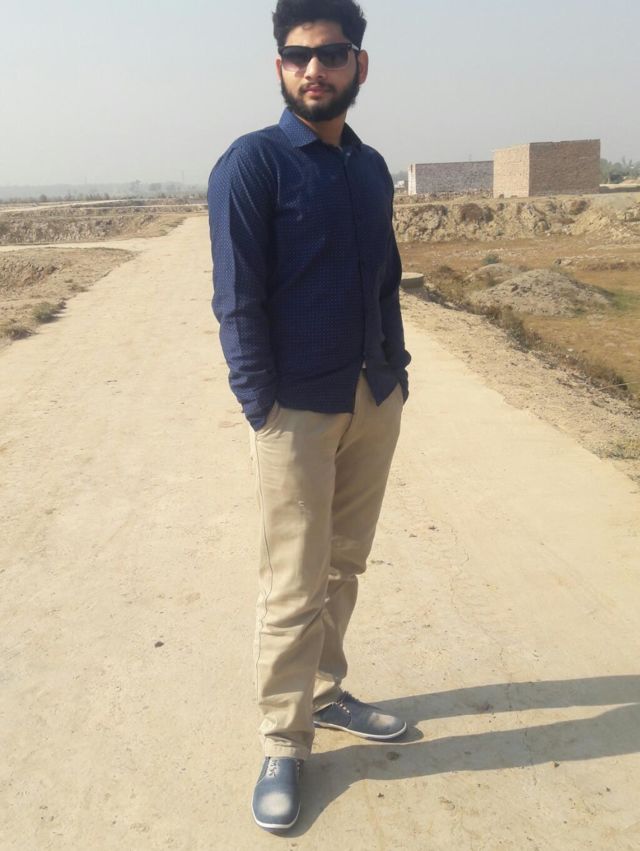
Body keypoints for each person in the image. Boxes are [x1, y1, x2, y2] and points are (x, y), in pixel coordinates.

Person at [207, 0, 411, 832]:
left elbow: (386, 279)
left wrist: (395, 373)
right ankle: (283, 740)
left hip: (373, 396)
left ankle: (325, 692)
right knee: (293, 581)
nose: (314, 69)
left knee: (344, 563)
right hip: (295, 409)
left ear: (360, 64)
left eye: (330, 54)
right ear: (280, 68)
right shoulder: (252, 164)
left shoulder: (369, 166)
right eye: (298, 56)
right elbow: (237, 301)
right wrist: (262, 407)